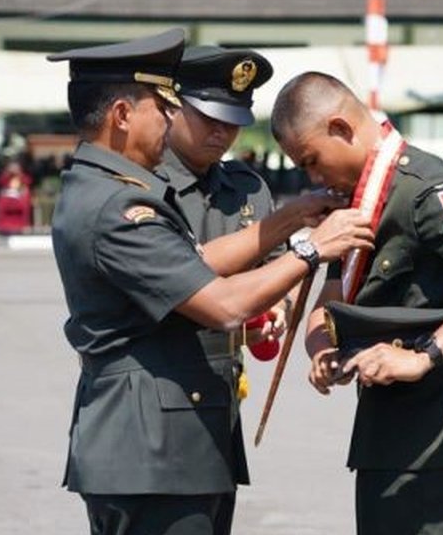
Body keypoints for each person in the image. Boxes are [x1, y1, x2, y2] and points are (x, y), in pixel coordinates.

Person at [46, 29, 372, 535]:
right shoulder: (118, 206)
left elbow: (198, 260)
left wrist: (293, 218)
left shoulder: (109, 189)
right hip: (153, 453)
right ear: (122, 115)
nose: (169, 118)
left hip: (172, 446)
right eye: (162, 107)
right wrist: (312, 249)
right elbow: (222, 305)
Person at [271, 72, 443, 535]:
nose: (312, 177)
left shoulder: (423, 187)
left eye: (312, 160)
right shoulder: (361, 201)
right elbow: (332, 300)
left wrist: (424, 355)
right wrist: (322, 349)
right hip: (385, 427)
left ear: (341, 128)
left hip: (440, 430)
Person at [160, 44, 345, 533]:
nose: (221, 132)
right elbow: (178, 276)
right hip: (158, 395)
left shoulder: (247, 187)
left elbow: (278, 268)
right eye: (209, 118)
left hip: (221, 394)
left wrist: (280, 307)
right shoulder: (144, 187)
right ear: (173, 106)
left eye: (233, 121)